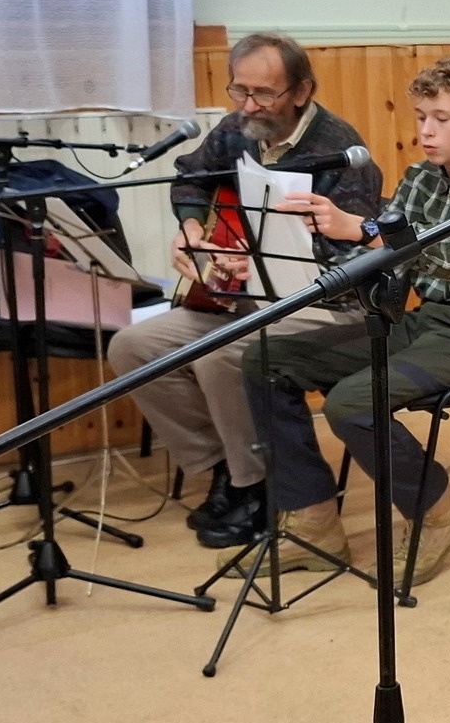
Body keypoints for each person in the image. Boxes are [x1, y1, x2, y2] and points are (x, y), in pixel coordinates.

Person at [247, 54, 450, 584]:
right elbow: (388, 263)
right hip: (427, 323)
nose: (426, 131)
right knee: (265, 359)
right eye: (421, 117)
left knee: (352, 402)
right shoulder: (419, 179)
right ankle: (314, 519)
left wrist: (365, 229)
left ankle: (439, 513)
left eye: (441, 118)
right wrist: (305, 267)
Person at [107, 31, 381, 555]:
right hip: (243, 296)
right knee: (133, 348)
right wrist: (192, 231)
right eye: (240, 90)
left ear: (301, 92)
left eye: (264, 94)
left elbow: (355, 257)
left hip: (326, 307)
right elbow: (191, 177)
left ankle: (259, 486)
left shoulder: (339, 151)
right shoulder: (237, 129)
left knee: (223, 356)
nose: (249, 105)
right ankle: (223, 471)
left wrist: (262, 260)